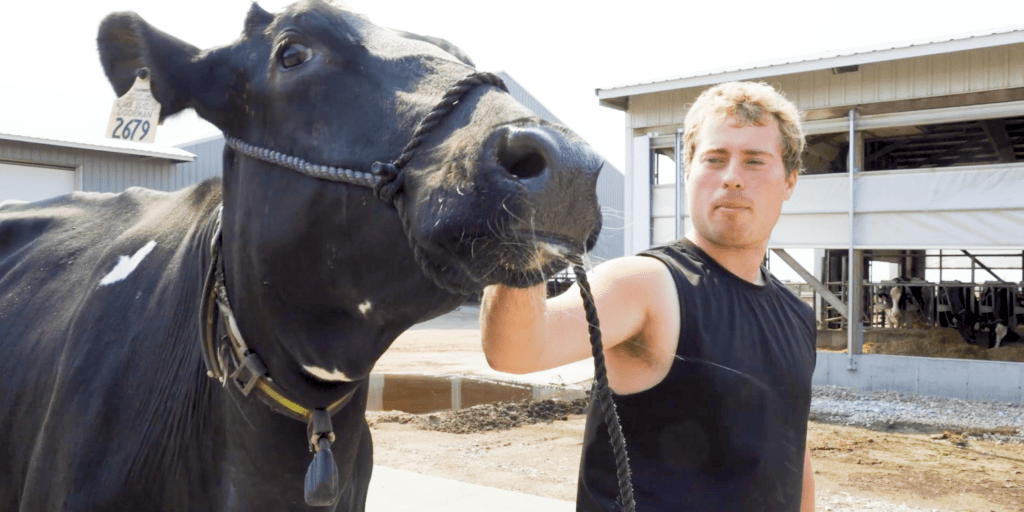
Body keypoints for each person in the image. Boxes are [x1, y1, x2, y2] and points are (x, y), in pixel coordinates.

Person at [480, 81, 817, 512]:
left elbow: (793, 448)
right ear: (689, 171)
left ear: (789, 181)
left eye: (754, 161)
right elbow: (515, 350)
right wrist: (522, 235)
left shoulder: (797, 315)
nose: (732, 177)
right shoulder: (646, 284)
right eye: (714, 159)